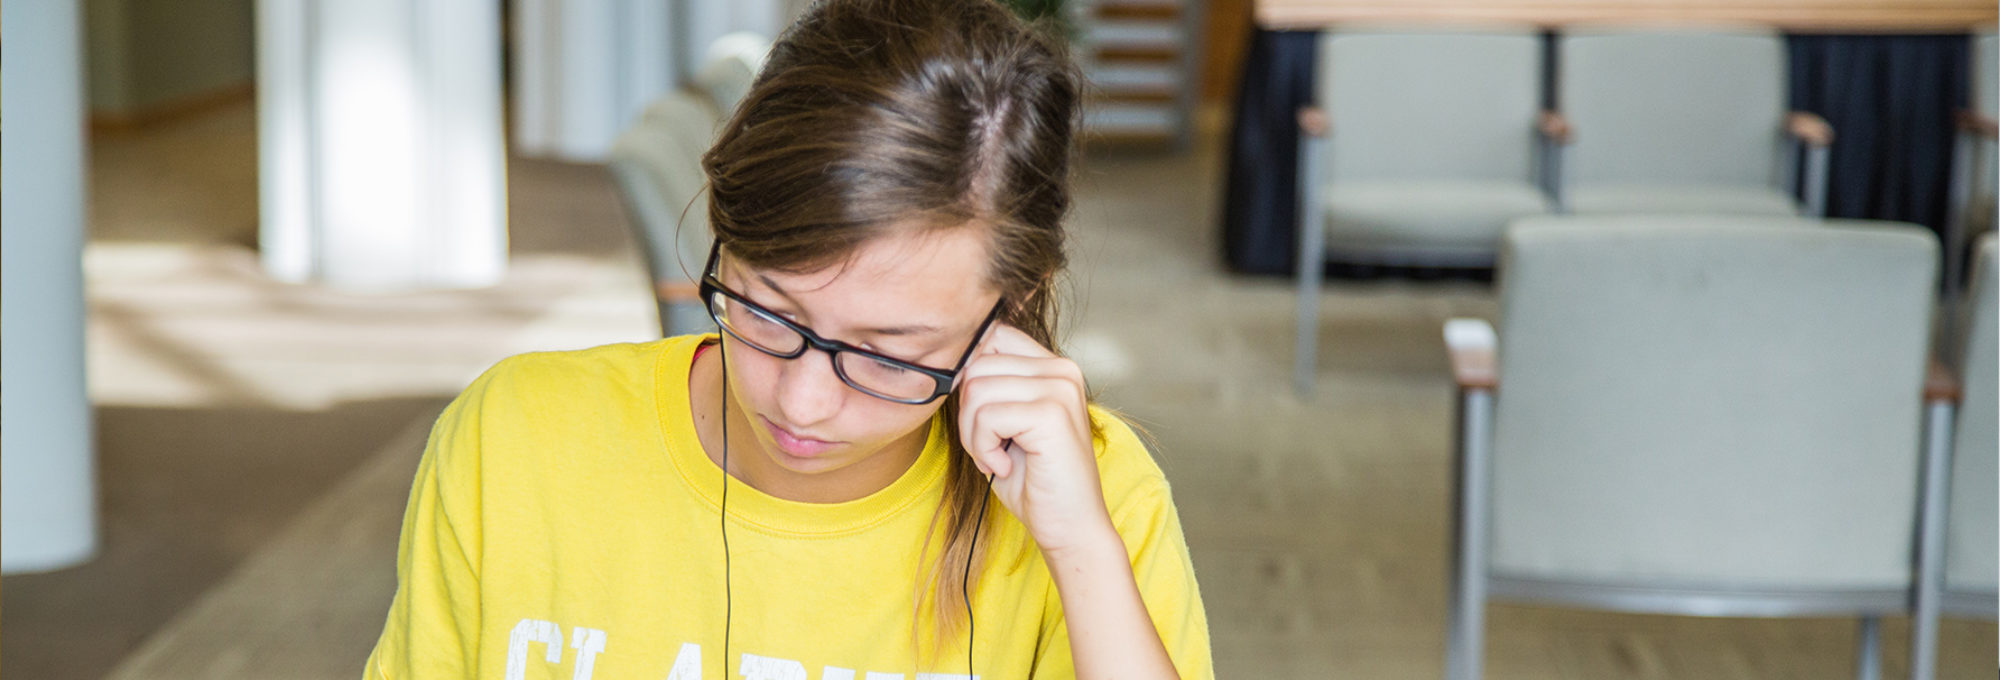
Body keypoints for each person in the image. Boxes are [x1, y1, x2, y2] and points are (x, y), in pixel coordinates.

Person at [363, 0, 1211, 677]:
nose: (802, 403)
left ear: (1010, 312)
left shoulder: (1094, 500)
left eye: (888, 352)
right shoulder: (513, 439)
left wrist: (1079, 550)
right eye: (769, 312)